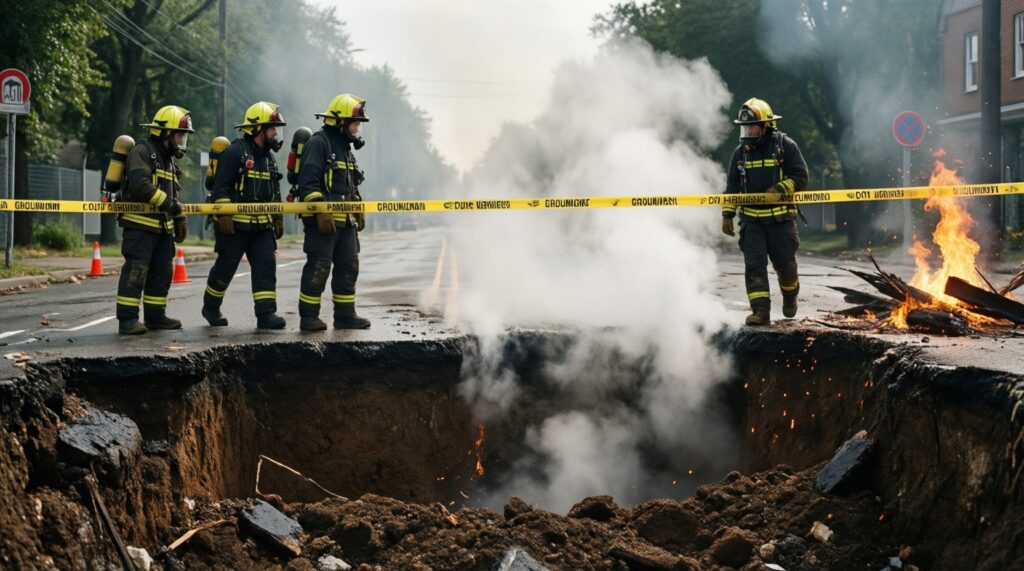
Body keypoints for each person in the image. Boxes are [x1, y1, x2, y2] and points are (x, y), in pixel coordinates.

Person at [721, 98, 809, 326]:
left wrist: (780, 189)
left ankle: (790, 296)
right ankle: (760, 312)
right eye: (745, 127)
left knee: (785, 265)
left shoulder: (785, 146)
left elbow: (801, 176)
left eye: (752, 127)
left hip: (781, 220)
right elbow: (732, 187)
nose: (748, 131)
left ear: (766, 126)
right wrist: (727, 214)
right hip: (751, 223)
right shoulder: (740, 153)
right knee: (754, 266)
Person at [202, 101, 287, 329]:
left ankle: (266, 314)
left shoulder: (269, 158)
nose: (275, 133)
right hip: (235, 227)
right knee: (225, 269)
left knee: (266, 268)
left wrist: (277, 217)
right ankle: (210, 307)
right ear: (257, 128)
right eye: (272, 128)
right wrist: (225, 216)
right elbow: (221, 187)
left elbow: (274, 191)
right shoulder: (235, 152)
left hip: (261, 228)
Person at [295, 93, 371, 331]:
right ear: (340, 121)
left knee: (349, 266)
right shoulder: (320, 143)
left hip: (346, 224)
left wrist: (357, 207)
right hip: (323, 224)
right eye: (355, 123)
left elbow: (350, 185)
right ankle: (309, 317)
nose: (357, 128)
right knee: (319, 267)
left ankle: (345, 315)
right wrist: (321, 212)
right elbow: (308, 183)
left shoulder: (345, 149)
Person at [115, 105, 192, 335]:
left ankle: (155, 317)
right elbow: (140, 186)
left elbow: (171, 194)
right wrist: (172, 206)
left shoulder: (168, 159)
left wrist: (177, 216)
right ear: (165, 133)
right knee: (136, 271)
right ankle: (127, 320)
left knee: (162, 273)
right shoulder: (143, 151)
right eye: (179, 135)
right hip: (140, 227)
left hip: (162, 228)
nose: (182, 141)